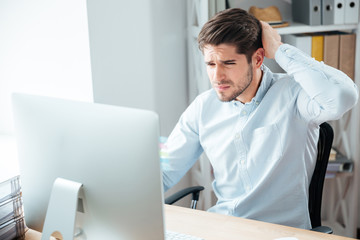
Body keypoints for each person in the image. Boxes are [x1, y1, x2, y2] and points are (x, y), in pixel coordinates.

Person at [161, 8, 358, 229]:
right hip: (221, 228)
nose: (217, 77)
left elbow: (342, 97)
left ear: (257, 59)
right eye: (211, 64)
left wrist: (280, 50)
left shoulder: (295, 96)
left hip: (279, 233)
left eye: (229, 63)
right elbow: (165, 171)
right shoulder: (203, 107)